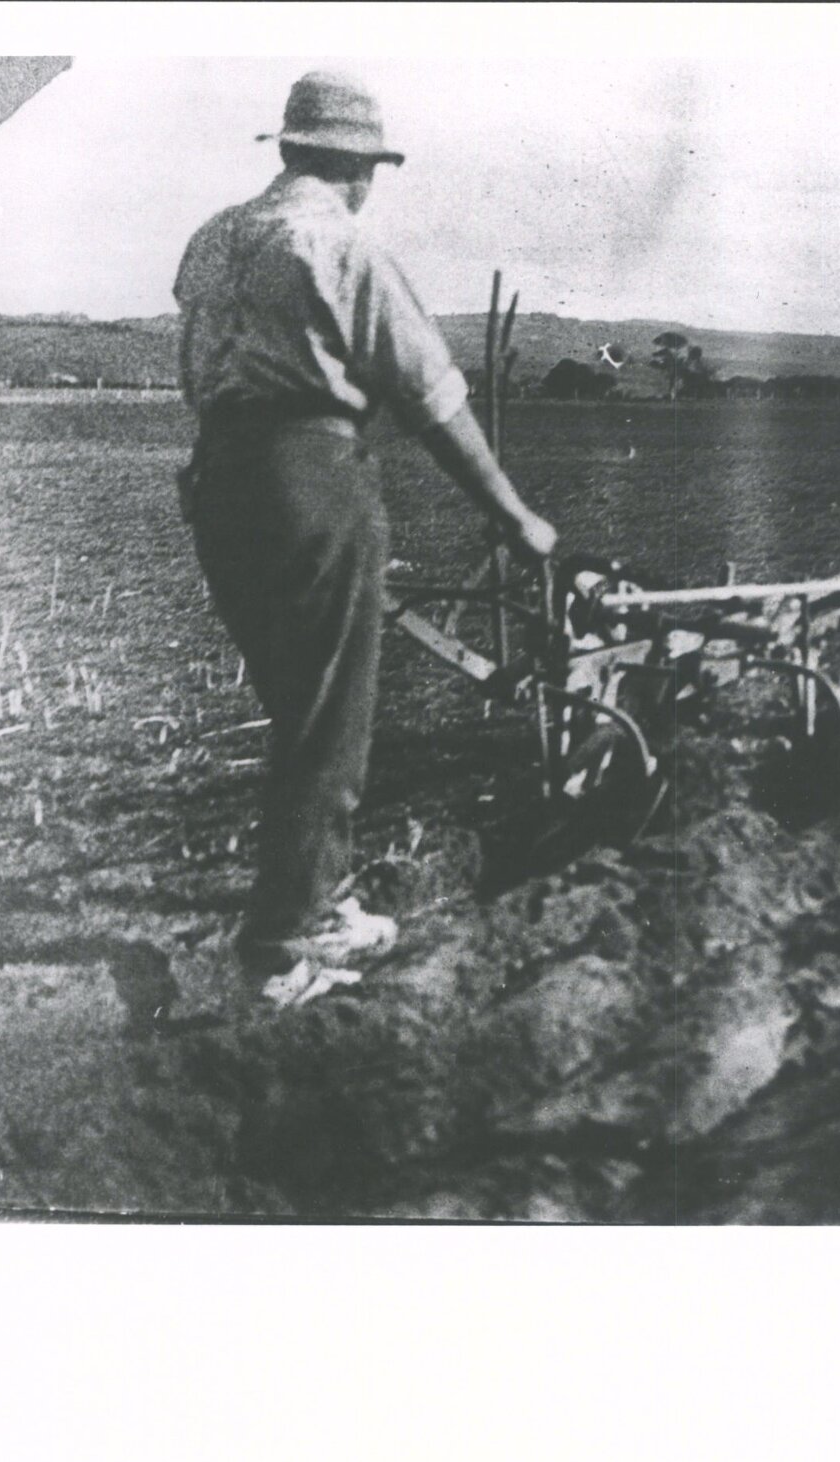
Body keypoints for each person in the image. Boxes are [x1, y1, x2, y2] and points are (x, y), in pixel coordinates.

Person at [174, 71, 558, 982]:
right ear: (356, 167)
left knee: (292, 702)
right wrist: (514, 516)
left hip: (217, 480)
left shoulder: (214, 239)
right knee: (327, 714)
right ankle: (290, 939)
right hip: (308, 479)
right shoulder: (339, 243)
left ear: (290, 149)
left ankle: (314, 897)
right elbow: (429, 395)